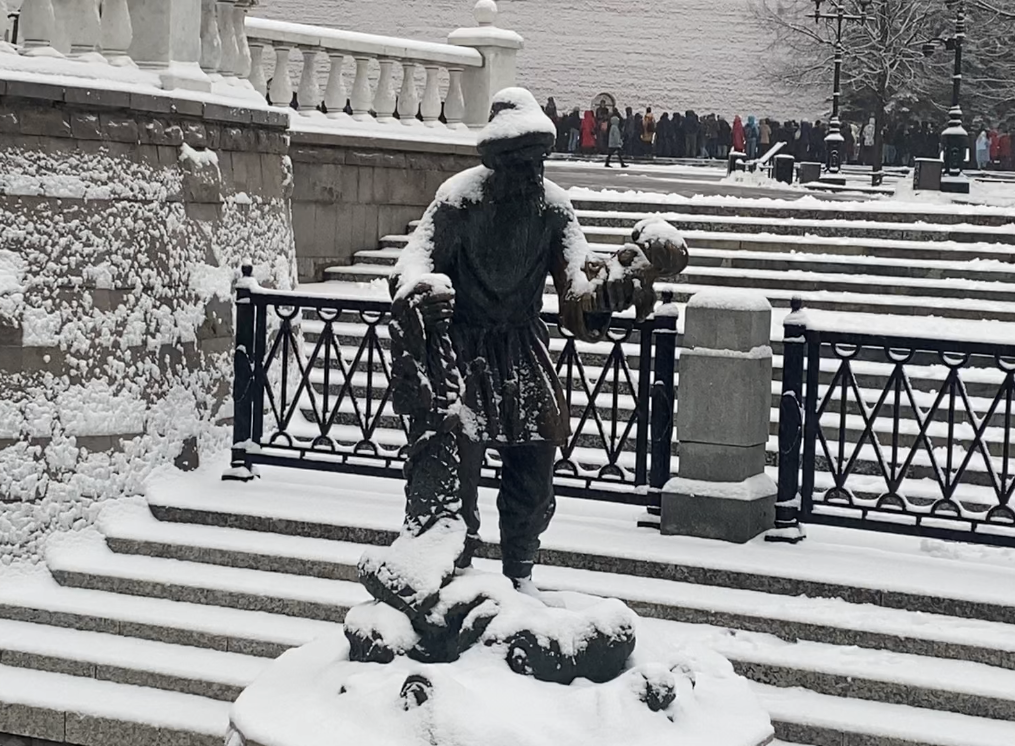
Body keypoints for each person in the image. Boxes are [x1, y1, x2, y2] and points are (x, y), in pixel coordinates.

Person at [390, 87, 665, 584]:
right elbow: (412, 261)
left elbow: (577, 287)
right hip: (463, 351)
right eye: (520, 162)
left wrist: (615, 288)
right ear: (497, 161)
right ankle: (454, 573)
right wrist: (421, 288)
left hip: (522, 351)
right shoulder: (458, 201)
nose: (531, 173)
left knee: (535, 475)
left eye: (537, 160)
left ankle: (520, 573)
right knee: (457, 472)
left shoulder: (554, 209)